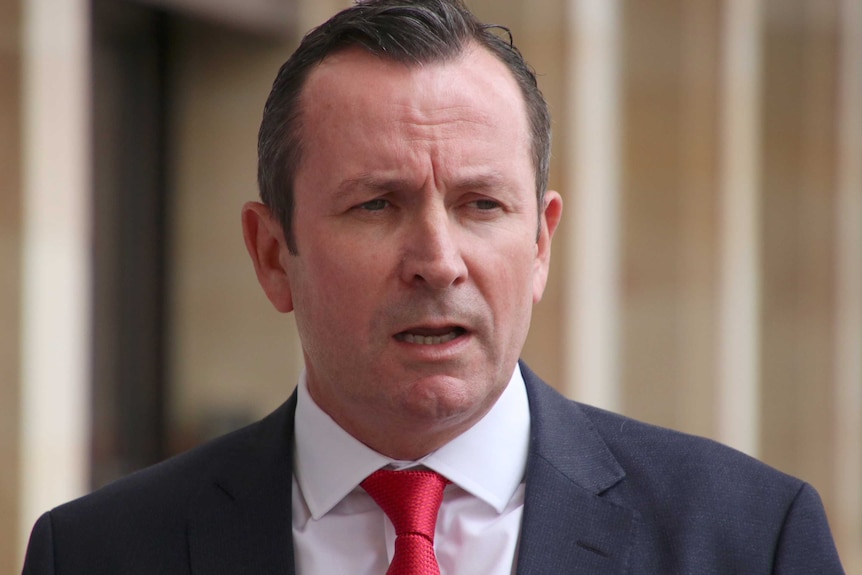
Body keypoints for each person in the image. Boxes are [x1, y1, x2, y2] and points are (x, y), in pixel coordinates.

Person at [23, 0, 844, 573]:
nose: (437, 259)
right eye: (377, 204)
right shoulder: (99, 553)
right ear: (274, 254)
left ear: (540, 243)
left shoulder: (748, 542)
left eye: (481, 204)